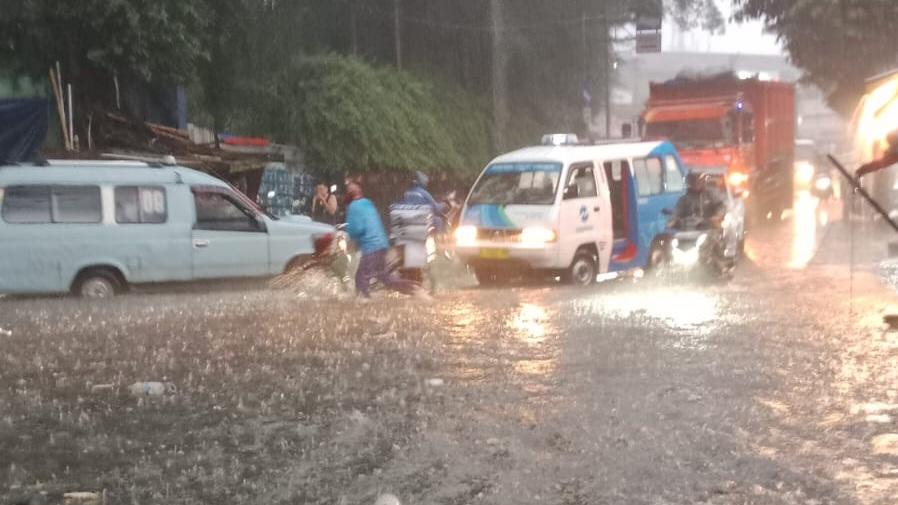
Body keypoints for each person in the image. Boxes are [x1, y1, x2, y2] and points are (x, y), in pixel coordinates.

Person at [344, 180, 428, 300]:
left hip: (371, 248)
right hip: (382, 245)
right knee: (386, 279)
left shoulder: (353, 206)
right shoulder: (368, 203)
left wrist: (350, 234)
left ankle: (363, 303)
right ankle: (416, 290)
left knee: (361, 277)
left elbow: (357, 229)